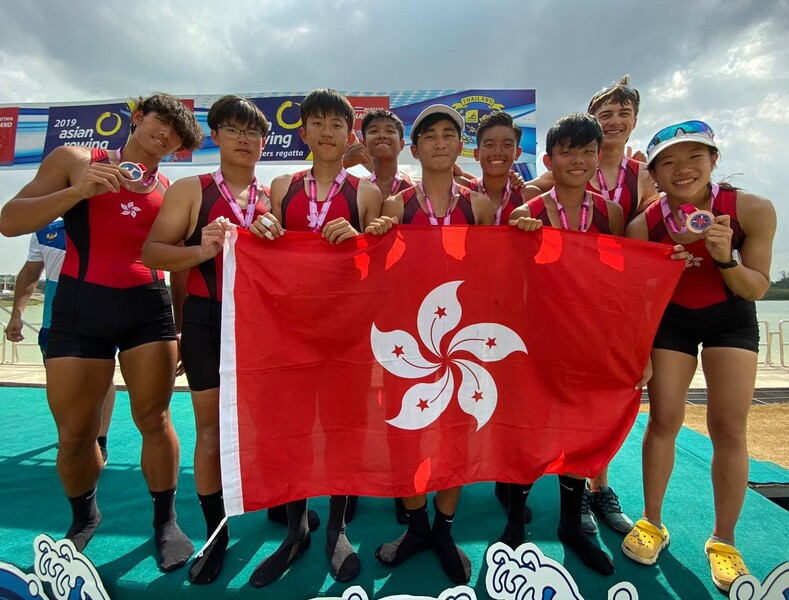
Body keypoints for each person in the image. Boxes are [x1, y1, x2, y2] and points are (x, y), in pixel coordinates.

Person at [0, 92, 204, 572]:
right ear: (137, 117)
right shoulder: (77, 160)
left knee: (154, 420)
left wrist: (180, 324)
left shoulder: (173, 190)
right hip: (79, 305)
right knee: (74, 433)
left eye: (176, 133)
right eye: (160, 121)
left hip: (148, 310)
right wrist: (77, 191)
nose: (166, 134)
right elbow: (9, 221)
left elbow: (176, 267)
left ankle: (165, 520)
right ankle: (85, 514)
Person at [621, 120, 776, 593]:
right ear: (654, 173)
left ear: (714, 160)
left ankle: (724, 542)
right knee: (664, 418)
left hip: (731, 315)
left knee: (728, 427)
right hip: (672, 321)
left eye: (694, 157)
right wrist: (639, 353)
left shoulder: (750, 209)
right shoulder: (643, 225)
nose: (682, 169)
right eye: (667, 161)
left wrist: (726, 257)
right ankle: (651, 522)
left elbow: (758, 287)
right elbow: (637, 299)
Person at [249, 88, 382, 587]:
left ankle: (338, 528)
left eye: (336, 126)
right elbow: (265, 248)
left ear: (350, 136)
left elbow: (384, 271)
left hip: (347, 334)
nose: (327, 133)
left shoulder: (366, 193)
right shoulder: (282, 186)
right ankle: (296, 530)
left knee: (344, 428)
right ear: (302, 132)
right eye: (318, 124)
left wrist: (362, 241)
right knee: (294, 428)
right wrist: (263, 224)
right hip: (291, 333)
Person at [142, 95, 276, 584]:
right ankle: (216, 535)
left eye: (253, 133)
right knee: (212, 432)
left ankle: (277, 509)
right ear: (215, 135)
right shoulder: (190, 190)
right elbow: (151, 249)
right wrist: (203, 248)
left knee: (264, 425)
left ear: (265, 141)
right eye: (234, 130)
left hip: (263, 326)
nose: (245, 140)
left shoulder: (272, 197)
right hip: (208, 320)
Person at [364, 104, 493, 584]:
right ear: (413, 150)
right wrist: (376, 236)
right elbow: (377, 274)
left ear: (461, 148)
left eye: (449, 135)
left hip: (460, 340)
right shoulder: (396, 205)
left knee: (458, 435)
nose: (440, 143)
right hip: (409, 343)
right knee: (407, 433)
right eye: (430, 137)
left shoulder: (478, 206)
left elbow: (492, 274)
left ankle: (444, 529)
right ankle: (415, 526)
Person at [503, 113, 629, 576]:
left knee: (578, 430)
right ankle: (515, 521)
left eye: (587, 151)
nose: (578, 160)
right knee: (526, 428)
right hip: (534, 339)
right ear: (550, 159)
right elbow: (505, 280)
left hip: (587, 340)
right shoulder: (526, 212)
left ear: (599, 157)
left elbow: (621, 283)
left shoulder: (611, 213)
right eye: (567, 151)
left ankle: (570, 526)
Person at [5, 219, 115, 465]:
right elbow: (30, 273)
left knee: (103, 380)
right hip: (54, 322)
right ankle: (69, 435)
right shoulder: (45, 229)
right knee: (60, 385)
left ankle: (100, 440)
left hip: (100, 319)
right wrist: (17, 315)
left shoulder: (110, 224)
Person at [359, 109, 414, 199]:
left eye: (390, 131)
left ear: (401, 145)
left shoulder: (413, 189)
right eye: (374, 131)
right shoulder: (356, 190)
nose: (382, 135)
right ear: (364, 145)